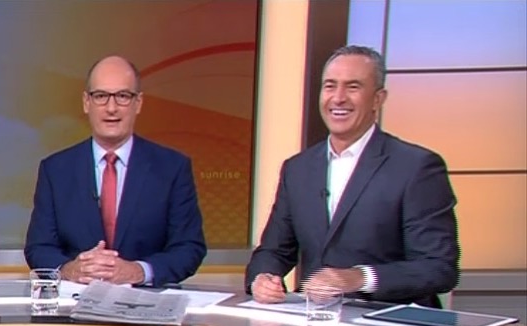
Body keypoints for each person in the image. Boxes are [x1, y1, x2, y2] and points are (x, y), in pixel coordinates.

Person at [245, 46, 459, 308]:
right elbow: (274, 250)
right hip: (315, 317)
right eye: (330, 86)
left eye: (353, 87)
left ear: (378, 99)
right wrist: (262, 278)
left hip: (389, 320)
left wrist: (360, 278)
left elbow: (439, 267)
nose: (338, 98)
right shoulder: (297, 168)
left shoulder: (416, 167)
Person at [24, 55, 207, 287]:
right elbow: (39, 247)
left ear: (138, 103)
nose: (111, 108)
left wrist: (139, 271)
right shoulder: (55, 170)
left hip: (146, 302)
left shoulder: (172, 168)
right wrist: (70, 270)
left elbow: (189, 248)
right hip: (76, 302)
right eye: (101, 96)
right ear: (86, 102)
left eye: (122, 96)